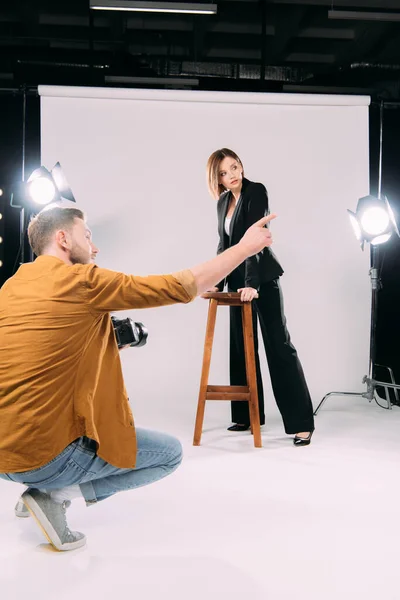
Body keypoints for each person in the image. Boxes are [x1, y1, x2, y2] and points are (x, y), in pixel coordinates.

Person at [0, 204, 274, 552]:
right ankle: (53, 496)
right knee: (169, 454)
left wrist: (108, 338)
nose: (95, 247)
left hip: (3, 455)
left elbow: (36, 348)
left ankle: (40, 487)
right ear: (63, 239)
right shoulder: (83, 281)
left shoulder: (11, 288)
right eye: (88, 236)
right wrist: (245, 248)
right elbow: (179, 287)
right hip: (45, 459)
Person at [205, 148, 314, 445]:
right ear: (218, 179)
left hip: (261, 279)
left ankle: (301, 422)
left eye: (235, 167)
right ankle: (246, 415)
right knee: (241, 349)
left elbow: (256, 237)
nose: (233, 174)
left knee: (278, 346)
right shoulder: (223, 202)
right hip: (236, 282)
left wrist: (252, 283)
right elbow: (225, 244)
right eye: (225, 172)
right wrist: (217, 280)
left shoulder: (256, 191)